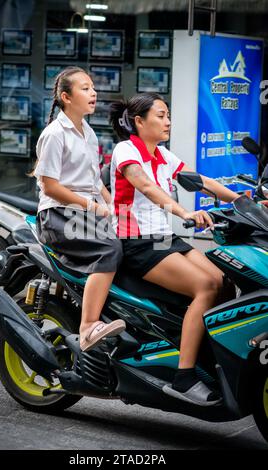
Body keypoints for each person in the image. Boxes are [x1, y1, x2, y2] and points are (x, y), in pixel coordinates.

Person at [109, 92, 239, 406]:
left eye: (168, 116)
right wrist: (184, 213)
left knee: (225, 282)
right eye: (161, 115)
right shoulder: (126, 150)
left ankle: (203, 354)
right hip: (136, 241)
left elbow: (202, 180)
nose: (168, 121)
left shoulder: (163, 156)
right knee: (206, 286)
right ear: (139, 122)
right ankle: (184, 377)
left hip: (163, 238)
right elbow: (146, 186)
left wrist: (246, 203)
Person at [32, 66, 125, 352]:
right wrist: (93, 207)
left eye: (93, 87)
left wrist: (114, 205)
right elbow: (50, 187)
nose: (93, 92)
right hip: (57, 215)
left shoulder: (88, 133)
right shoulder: (54, 133)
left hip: (84, 212)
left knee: (133, 242)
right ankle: (88, 327)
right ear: (66, 97)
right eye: (85, 88)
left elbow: (95, 180)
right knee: (110, 249)